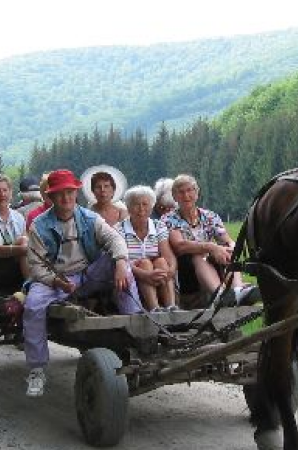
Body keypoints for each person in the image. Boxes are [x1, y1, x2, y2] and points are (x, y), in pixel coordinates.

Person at [23, 169, 143, 397]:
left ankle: (136, 328)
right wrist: (56, 281)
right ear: (51, 197)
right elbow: (36, 265)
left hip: (87, 274)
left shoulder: (90, 218)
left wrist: (120, 263)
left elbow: (114, 238)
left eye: (70, 192)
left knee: (122, 267)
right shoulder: (39, 225)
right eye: (60, 194)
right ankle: (36, 370)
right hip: (54, 279)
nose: (66, 198)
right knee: (32, 306)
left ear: (76, 193)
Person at [162, 173, 259, 306]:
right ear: (174, 196)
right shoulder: (169, 219)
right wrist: (211, 247)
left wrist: (231, 247)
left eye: (190, 190)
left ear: (197, 193)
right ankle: (220, 295)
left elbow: (225, 239)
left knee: (227, 251)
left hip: (213, 263)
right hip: (185, 270)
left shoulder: (210, 216)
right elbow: (180, 245)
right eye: (181, 192)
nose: (186, 196)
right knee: (198, 254)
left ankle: (237, 290)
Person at [117, 185, 177, 312]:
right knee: (145, 263)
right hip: (132, 276)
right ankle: (154, 309)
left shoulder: (158, 225)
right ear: (128, 207)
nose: (141, 209)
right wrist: (146, 274)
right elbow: (122, 262)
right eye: (136, 204)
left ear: (151, 207)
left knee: (161, 262)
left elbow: (168, 255)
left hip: (157, 275)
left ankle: (171, 307)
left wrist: (170, 271)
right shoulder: (120, 229)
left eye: (145, 204)